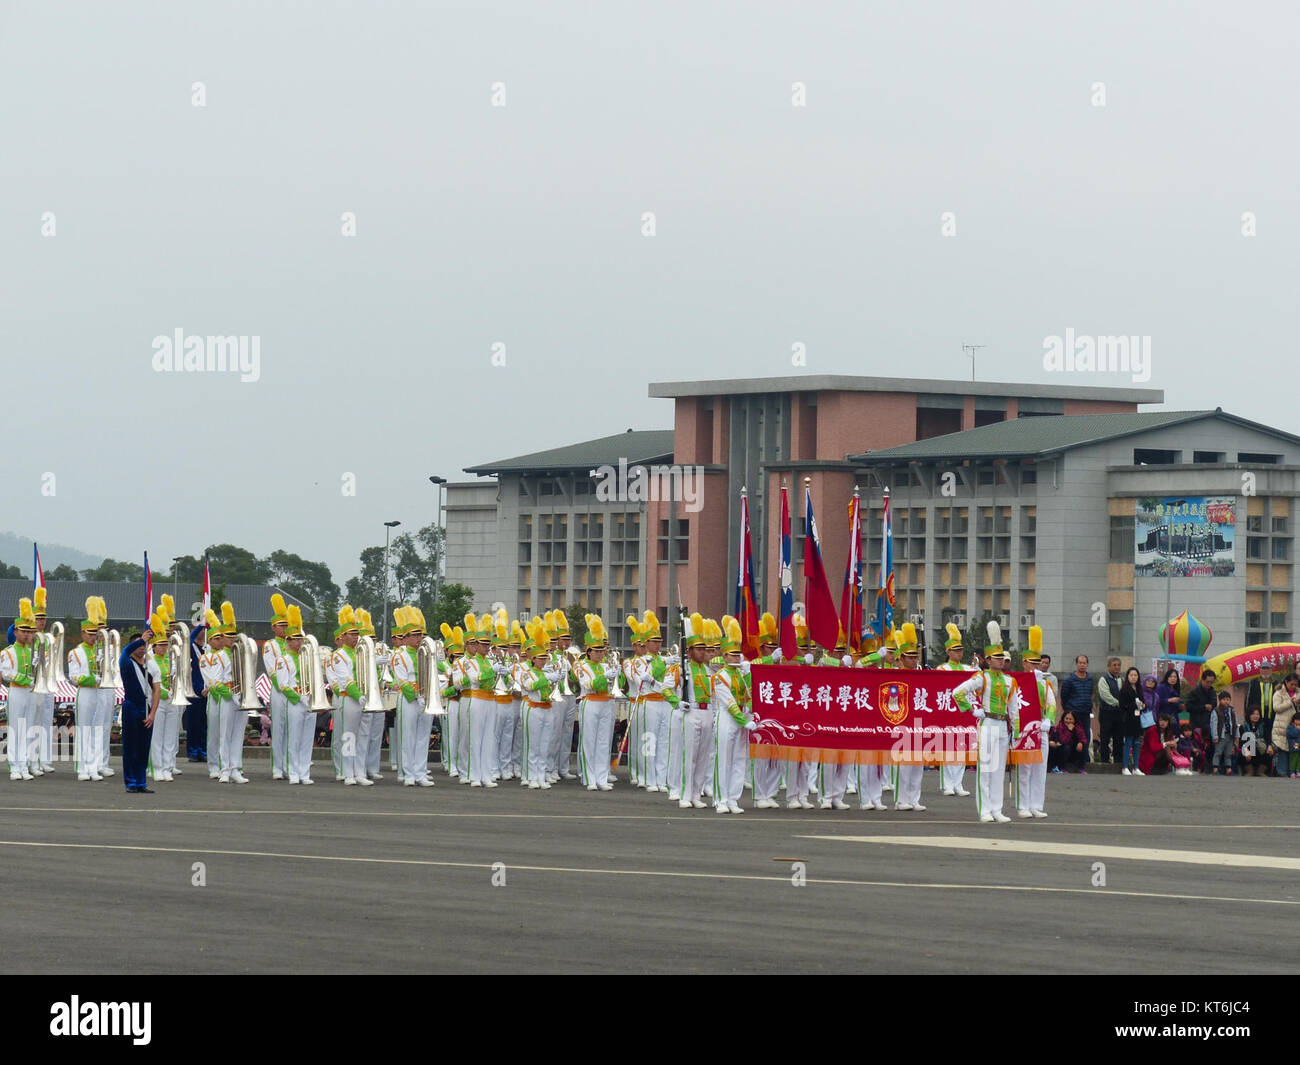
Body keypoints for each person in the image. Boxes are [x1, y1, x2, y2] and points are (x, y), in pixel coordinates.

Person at [952, 621, 1024, 823]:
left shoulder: (1010, 681)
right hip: (987, 724)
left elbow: (1014, 707)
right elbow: (958, 692)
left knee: (999, 769)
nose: (1001, 661)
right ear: (988, 660)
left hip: (1002, 726)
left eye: (1002, 658)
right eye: (997, 658)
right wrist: (973, 709)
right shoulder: (982, 678)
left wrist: (1016, 729)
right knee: (986, 768)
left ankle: (997, 809)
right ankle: (984, 810)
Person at [712, 618, 758, 814]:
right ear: (724, 656)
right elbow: (729, 702)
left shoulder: (740, 674)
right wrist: (743, 721)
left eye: (738, 654)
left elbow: (750, 694)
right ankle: (720, 799)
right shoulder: (720, 676)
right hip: (728, 719)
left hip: (742, 718)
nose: (737, 658)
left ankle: (733, 798)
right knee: (724, 759)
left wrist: (748, 675)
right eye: (732, 655)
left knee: (739, 760)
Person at [200, 602, 249, 784]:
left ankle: (236, 767)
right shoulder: (216, 657)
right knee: (224, 734)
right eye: (227, 636)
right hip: (225, 697)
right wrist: (230, 694)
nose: (230, 639)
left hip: (240, 696)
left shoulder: (240, 653)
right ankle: (224, 769)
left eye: (233, 636)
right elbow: (214, 681)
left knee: (237, 735)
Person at [390, 605, 436, 787]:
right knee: (408, 737)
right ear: (406, 638)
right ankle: (409, 773)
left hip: (425, 699)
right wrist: (418, 695)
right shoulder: (400, 655)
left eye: (421, 635)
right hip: (410, 698)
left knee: (423, 737)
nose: (419, 638)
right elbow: (402, 680)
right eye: (415, 635)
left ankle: (420, 772)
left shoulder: (425, 653)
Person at [324, 605, 370, 786]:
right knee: (348, 736)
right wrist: (358, 695)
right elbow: (345, 679)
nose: (355, 637)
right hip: (348, 697)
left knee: (362, 737)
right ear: (342, 636)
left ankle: (360, 772)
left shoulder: (360, 652)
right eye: (352, 634)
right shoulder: (339, 655)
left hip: (361, 697)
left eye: (357, 634)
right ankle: (347, 771)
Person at [1014, 625, 1056, 818]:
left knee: (1040, 769)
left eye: (1037, 663)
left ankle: (1036, 805)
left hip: (1041, 728)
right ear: (1024, 663)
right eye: (1031, 663)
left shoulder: (1044, 683)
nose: (1035, 666)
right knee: (1025, 770)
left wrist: (1048, 720)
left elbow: (1052, 704)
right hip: (1024, 730)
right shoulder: (1017, 682)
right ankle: (1023, 805)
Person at [66, 597, 110, 781]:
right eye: (90, 634)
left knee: (97, 729)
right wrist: (91, 679)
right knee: (84, 729)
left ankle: (93, 767)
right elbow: (73, 677)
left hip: (100, 692)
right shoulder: (75, 652)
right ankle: (82, 767)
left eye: (95, 634)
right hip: (85, 692)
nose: (93, 637)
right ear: (83, 633)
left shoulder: (101, 651)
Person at [573, 613, 618, 791]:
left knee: (603, 742)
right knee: (589, 741)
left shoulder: (607, 665)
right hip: (590, 702)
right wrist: (605, 676)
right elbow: (588, 684)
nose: (600, 653)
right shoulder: (581, 665)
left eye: (601, 650)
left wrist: (617, 675)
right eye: (596, 651)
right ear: (589, 652)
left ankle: (601, 777)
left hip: (606, 702)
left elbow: (617, 686)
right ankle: (590, 778)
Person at [639, 610, 678, 795]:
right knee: (650, 740)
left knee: (664, 742)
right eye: (654, 641)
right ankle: (649, 778)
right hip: (650, 702)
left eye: (659, 641)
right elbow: (646, 676)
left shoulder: (663, 660)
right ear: (646, 643)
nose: (658, 644)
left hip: (664, 702)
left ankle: (662, 779)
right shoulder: (642, 660)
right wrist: (663, 664)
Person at [275, 605, 315, 784]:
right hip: (295, 701)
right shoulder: (283, 660)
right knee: (294, 738)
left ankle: (304, 773)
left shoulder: (307, 658)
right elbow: (283, 685)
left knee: (307, 740)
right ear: (288, 641)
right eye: (295, 639)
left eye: (300, 639)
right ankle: (293, 772)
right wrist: (299, 698)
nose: (298, 643)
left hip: (309, 700)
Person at [934, 622, 975, 797]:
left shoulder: (968, 669)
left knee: (960, 748)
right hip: (947, 712)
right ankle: (947, 784)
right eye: (956, 650)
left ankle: (958, 783)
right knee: (947, 748)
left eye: (961, 650)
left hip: (962, 713)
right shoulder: (942, 668)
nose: (959, 653)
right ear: (948, 652)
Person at [748, 614, 785, 809]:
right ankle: (758, 794)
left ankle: (771, 793)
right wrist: (771, 658)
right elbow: (752, 668)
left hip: (777, 715)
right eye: (769, 648)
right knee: (760, 759)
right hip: (759, 715)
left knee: (776, 759)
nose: (772, 651)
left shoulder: (779, 666)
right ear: (761, 648)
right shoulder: (754, 663)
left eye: (774, 648)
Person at [118, 627, 161, 794]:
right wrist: (141, 638)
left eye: (145, 645)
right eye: (139, 645)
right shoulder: (126, 662)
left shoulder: (151, 665)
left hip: (145, 708)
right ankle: (131, 782)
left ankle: (141, 782)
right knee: (130, 747)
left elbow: (157, 690)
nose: (143, 647)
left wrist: (152, 714)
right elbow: (123, 652)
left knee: (144, 747)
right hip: (130, 707)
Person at [0, 598, 39, 780]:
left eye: (29, 632)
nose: (26, 635)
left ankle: (24, 765)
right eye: (23, 631)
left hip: (30, 692)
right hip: (16, 690)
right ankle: (14, 766)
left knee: (28, 727)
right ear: (15, 632)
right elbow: (7, 673)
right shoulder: (8, 652)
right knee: (16, 728)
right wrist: (25, 679)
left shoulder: (33, 653)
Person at [890, 623, 927, 812]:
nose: (913, 660)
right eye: (909, 657)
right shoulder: (894, 677)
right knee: (903, 765)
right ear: (901, 658)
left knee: (917, 764)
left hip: (919, 723)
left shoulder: (922, 675)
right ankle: (901, 799)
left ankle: (914, 798)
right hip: (902, 724)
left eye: (915, 657)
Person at [519, 618, 559, 788]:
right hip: (533, 708)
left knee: (545, 745)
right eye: (540, 659)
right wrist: (547, 678)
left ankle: (541, 776)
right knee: (533, 745)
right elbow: (530, 686)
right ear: (533, 659)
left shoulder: (546, 671)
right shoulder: (527, 672)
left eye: (545, 658)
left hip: (547, 708)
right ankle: (532, 776)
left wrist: (557, 678)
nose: (543, 661)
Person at [146, 610, 180, 782]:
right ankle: (156, 767)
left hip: (172, 700)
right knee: (157, 736)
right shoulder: (149, 660)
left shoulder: (170, 658)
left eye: (165, 644)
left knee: (169, 736)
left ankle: (167, 767)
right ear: (153, 645)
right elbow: (149, 683)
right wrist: (164, 691)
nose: (163, 647)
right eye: (160, 644)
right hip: (157, 701)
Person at [262, 594, 291, 780]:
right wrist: (283, 686)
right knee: (279, 729)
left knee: (291, 730)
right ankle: (277, 767)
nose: (284, 628)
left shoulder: (293, 643)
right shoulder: (270, 645)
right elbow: (271, 669)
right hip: (279, 690)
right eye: (281, 625)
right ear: (273, 627)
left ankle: (289, 765)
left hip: (294, 691)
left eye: (286, 625)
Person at [437, 621, 465, 779]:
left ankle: (460, 763)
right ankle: (450, 763)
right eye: (456, 656)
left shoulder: (465, 667)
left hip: (464, 703)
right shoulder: (443, 667)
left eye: (461, 656)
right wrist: (454, 688)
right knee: (450, 736)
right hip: (451, 703)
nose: (458, 659)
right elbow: (442, 692)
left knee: (462, 736)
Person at [1059, 655, 1094, 765]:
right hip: (1073, 713)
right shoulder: (1069, 680)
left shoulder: (1090, 679)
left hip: (1085, 713)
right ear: (1076, 664)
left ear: (1087, 665)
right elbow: (1064, 696)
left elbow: (1090, 693)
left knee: (1085, 737)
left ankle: (1083, 762)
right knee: (1072, 737)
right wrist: (1068, 710)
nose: (1082, 665)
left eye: (1084, 663)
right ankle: (1070, 761)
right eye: (1080, 663)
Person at [1271, 674, 1300, 779]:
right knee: (1283, 749)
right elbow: (1276, 708)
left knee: (1295, 749)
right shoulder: (1278, 693)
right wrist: (1290, 702)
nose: (1293, 686)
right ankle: (1282, 771)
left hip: (1296, 727)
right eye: (1291, 684)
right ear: (1286, 682)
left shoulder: (1299, 692)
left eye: (1295, 684)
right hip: (1282, 726)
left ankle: (1293, 771)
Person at [1118, 666, 1146, 776]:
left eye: (1135, 675)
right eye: (1131, 675)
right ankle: (1125, 767)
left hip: (1137, 720)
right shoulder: (1124, 690)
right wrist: (1134, 705)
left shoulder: (1139, 689)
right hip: (1128, 720)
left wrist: (1143, 705)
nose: (1133, 677)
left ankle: (1136, 767)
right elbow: (1122, 706)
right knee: (1128, 743)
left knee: (1137, 743)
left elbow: (1143, 703)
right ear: (1127, 677)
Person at [1096, 656, 1123, 764]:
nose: (1117, 667)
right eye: (1114, 665)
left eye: (1118, 665)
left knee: (1118, 739)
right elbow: (1105, 696)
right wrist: (1118, 703)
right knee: (1105, 738)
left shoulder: (1122, 679)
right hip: (1106, 713)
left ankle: (1118, 761)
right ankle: (1104, 761)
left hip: (1119, 714)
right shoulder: (1103, 679)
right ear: (1108, 667)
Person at [1139, 710, 1178, 776]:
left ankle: (1178, 766)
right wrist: (1167, 743)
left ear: (1168, 723)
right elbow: (1153, 748)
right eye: (1161, 720)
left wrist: (1174, 745)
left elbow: (1170, 746)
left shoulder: (1168, 731)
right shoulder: (1152, 730)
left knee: (1169, 748)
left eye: (1165, 721)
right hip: (1149, 757)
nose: (1162, 723)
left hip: (1160, 757)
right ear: (1157, 721)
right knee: (1166, 748)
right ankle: (1178, 767)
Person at [1209, 689, 1238, 776]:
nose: (1226, 701)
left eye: (1228, 699)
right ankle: (1215, 768)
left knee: (1228, 753)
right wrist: (1215, 736)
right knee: (1218, 752)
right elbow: (1213, 724)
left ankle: (1228, 769)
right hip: (1221, 735)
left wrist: (1237, 736)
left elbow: (1235, 723)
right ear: (1220, 700)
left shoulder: (1232, 711)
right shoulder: (1216, 711)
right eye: (1224, 699)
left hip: (1230, 735)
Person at [1239, 706, 1271, 776]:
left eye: (1257, 714)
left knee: (1269, 750)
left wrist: (1269, 746)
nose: (1255, 716)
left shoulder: (1263, 726)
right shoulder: (1243, 727)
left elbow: (1267, 738)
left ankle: (1261, 771)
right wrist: (1246, 750)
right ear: (1249, 715)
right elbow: (1241, 742)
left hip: (1260, 751)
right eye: (1253, 714)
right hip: (1249, 752)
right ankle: (1249, 771)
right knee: (1244, 750)